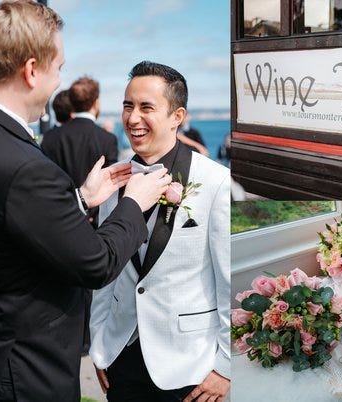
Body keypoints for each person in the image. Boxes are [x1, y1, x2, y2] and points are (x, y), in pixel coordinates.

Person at [0, 2, 171, 399]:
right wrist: (133, 204)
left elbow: (9, 219)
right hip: (25, 367)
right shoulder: (25, 167)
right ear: (31, 70)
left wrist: (81, 198)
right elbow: (96, 263)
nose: (59, 80)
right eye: (58, 67)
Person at [90, 62, 231, 402]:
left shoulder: (216, 182)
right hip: (120, 354)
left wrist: (225, 366)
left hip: (189, 365)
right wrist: (99, 345)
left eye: (146, 107)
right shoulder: (114, 179)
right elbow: (107, 274)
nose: (133, 118)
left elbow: (228, 280)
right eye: (128, 106)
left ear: (176, 116)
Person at [41, 76, 119, 227]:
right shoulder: (107, 139)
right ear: (96, 102)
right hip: (94, 221)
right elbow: (111, 182)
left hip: (58, 216)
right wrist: (91, 213)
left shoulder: (50, 137)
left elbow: (46, 181)